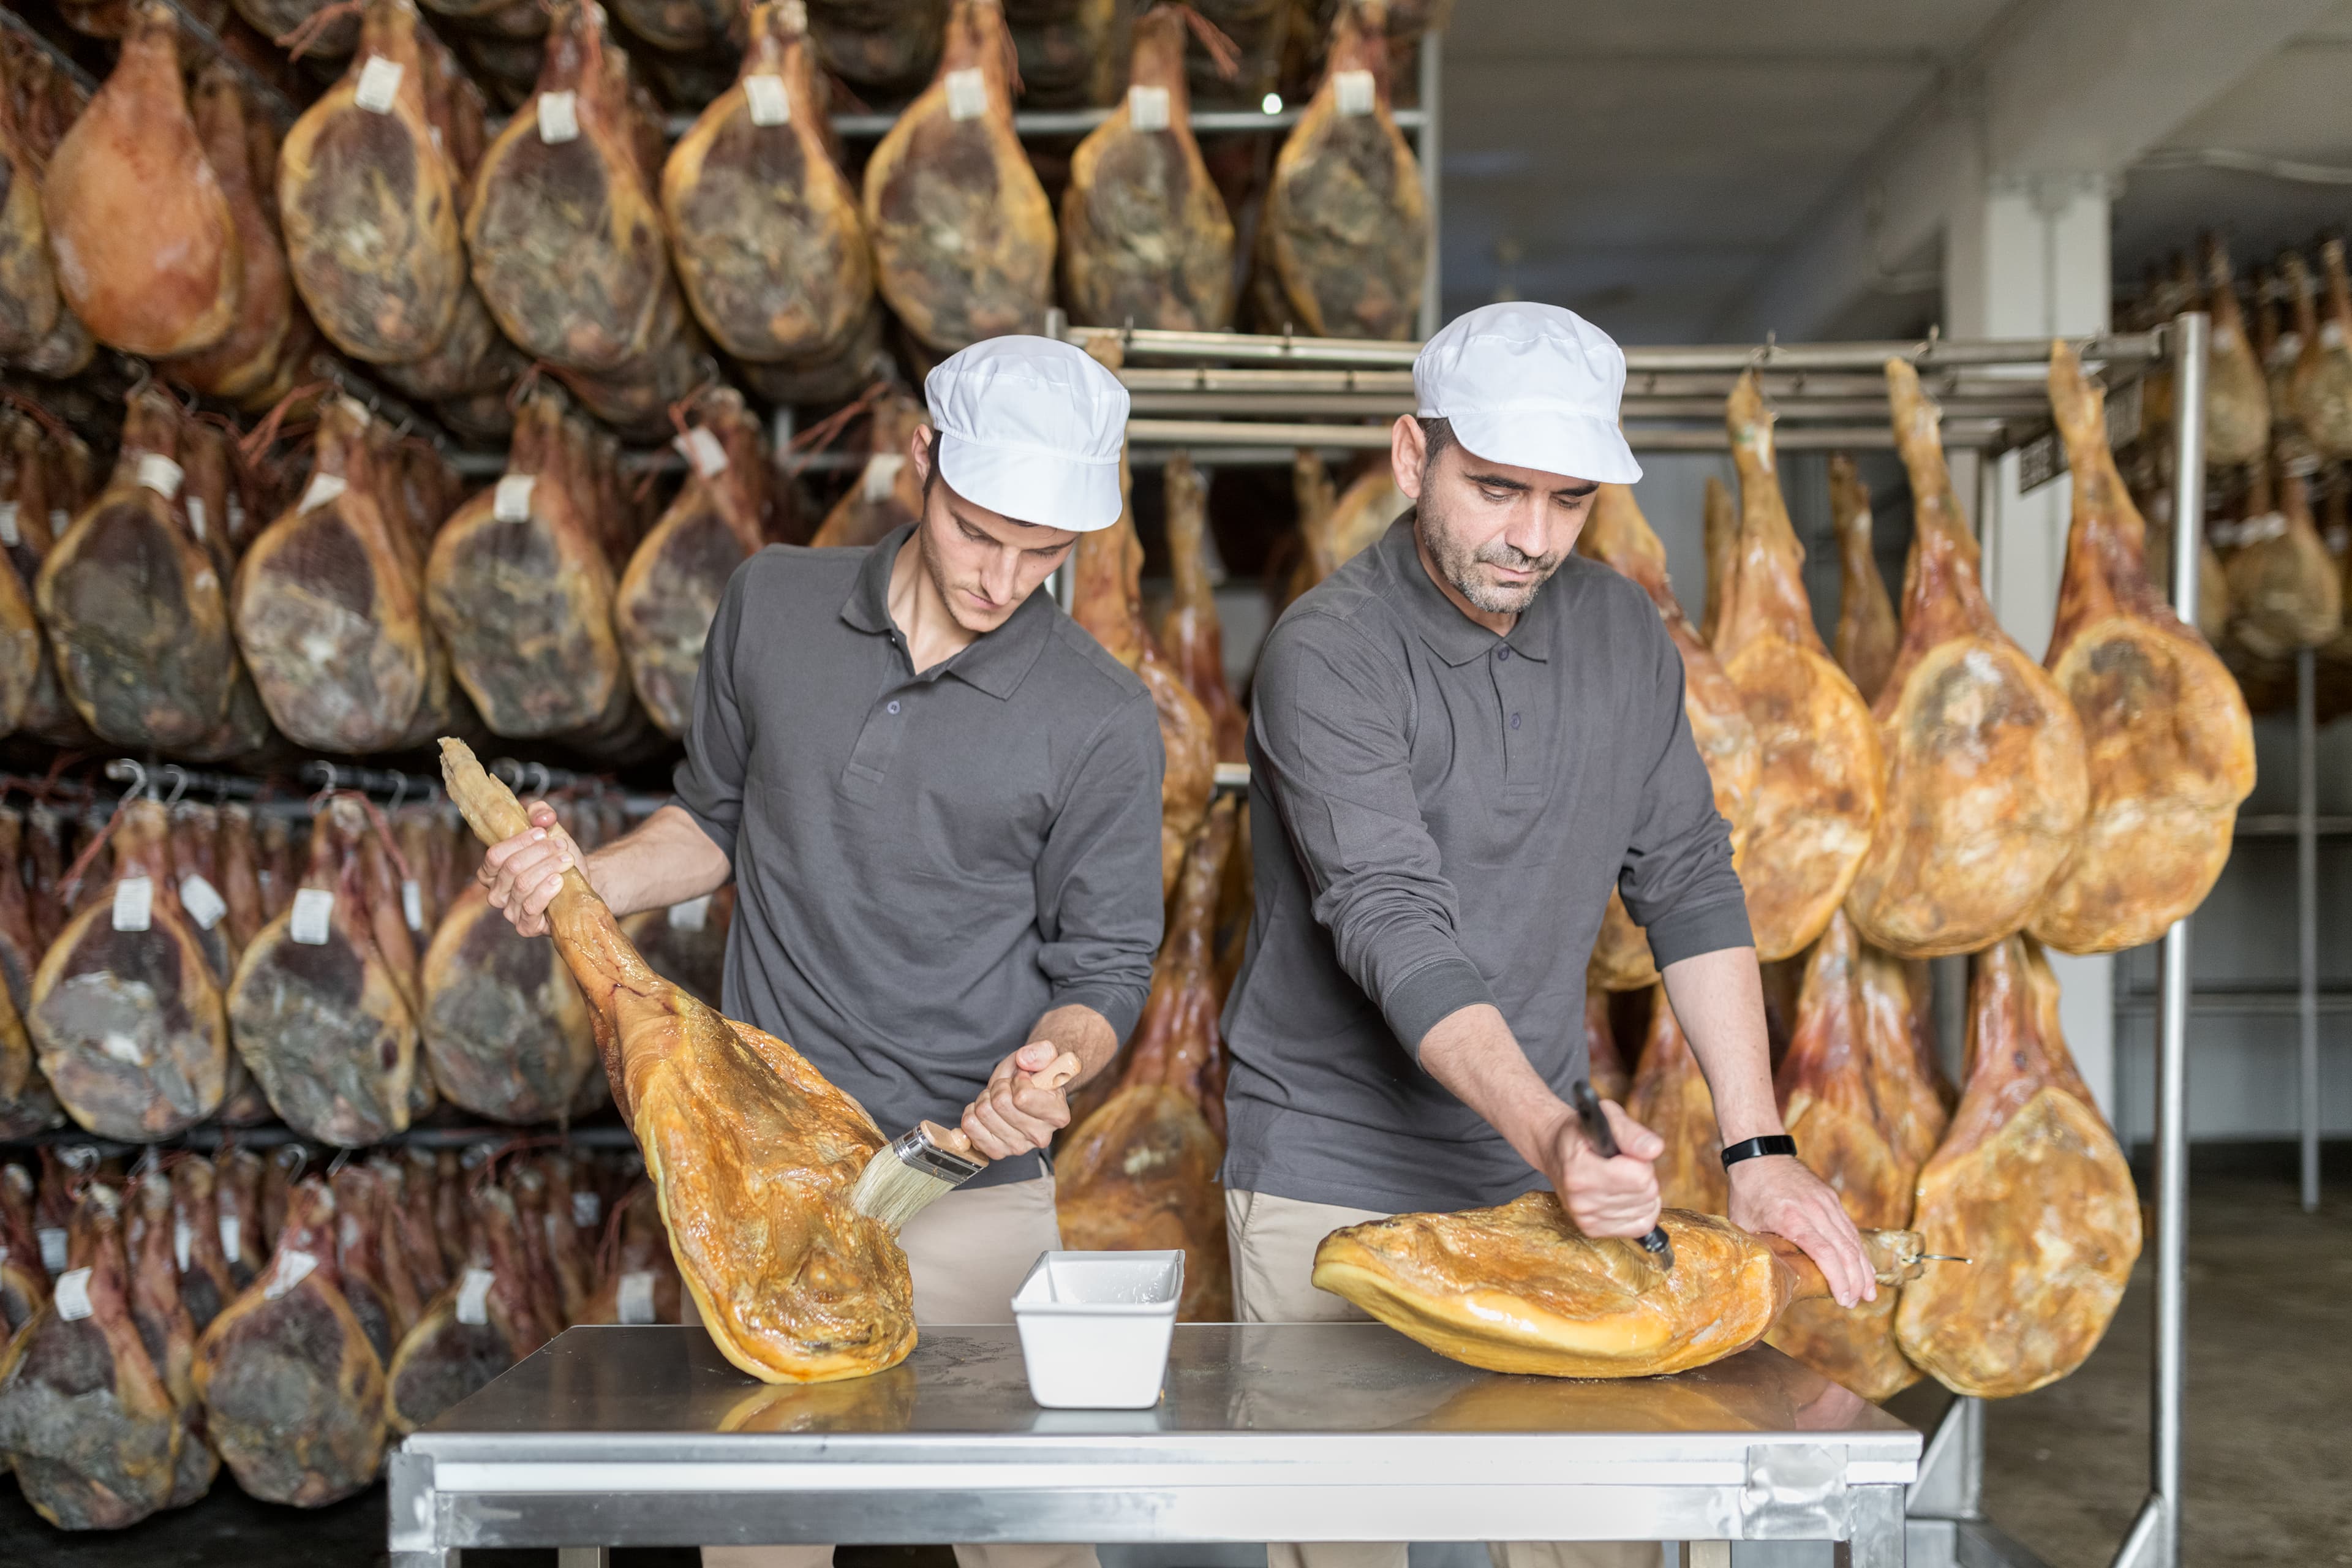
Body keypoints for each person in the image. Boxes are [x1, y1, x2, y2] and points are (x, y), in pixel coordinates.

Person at [476, 336, 1165, 1568]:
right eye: (977, 531)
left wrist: (1052, 1067)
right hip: (767, 1182)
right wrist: (586, 880)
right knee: (762, 1542)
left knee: (1034, 1543)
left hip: (973, 1189)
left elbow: (1106, 964)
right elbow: (714, 818)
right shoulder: (774, 603)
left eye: (1045, 554)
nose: (1005, 578)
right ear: (920, 464)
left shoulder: (1101, 714)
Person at [1219, 303, 1875, 1568]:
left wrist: (1757, 1143)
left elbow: (1687, 878)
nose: (1531, 536)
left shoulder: (1624, 634)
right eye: (1497, 489)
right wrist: (1558, 1132)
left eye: (1568, 500)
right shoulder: (1328, 656)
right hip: (1328, 1177)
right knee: (1347, 1544)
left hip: (1538, 1173)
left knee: (1594, 1538)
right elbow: (1393, 921)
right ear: (1414, 459)